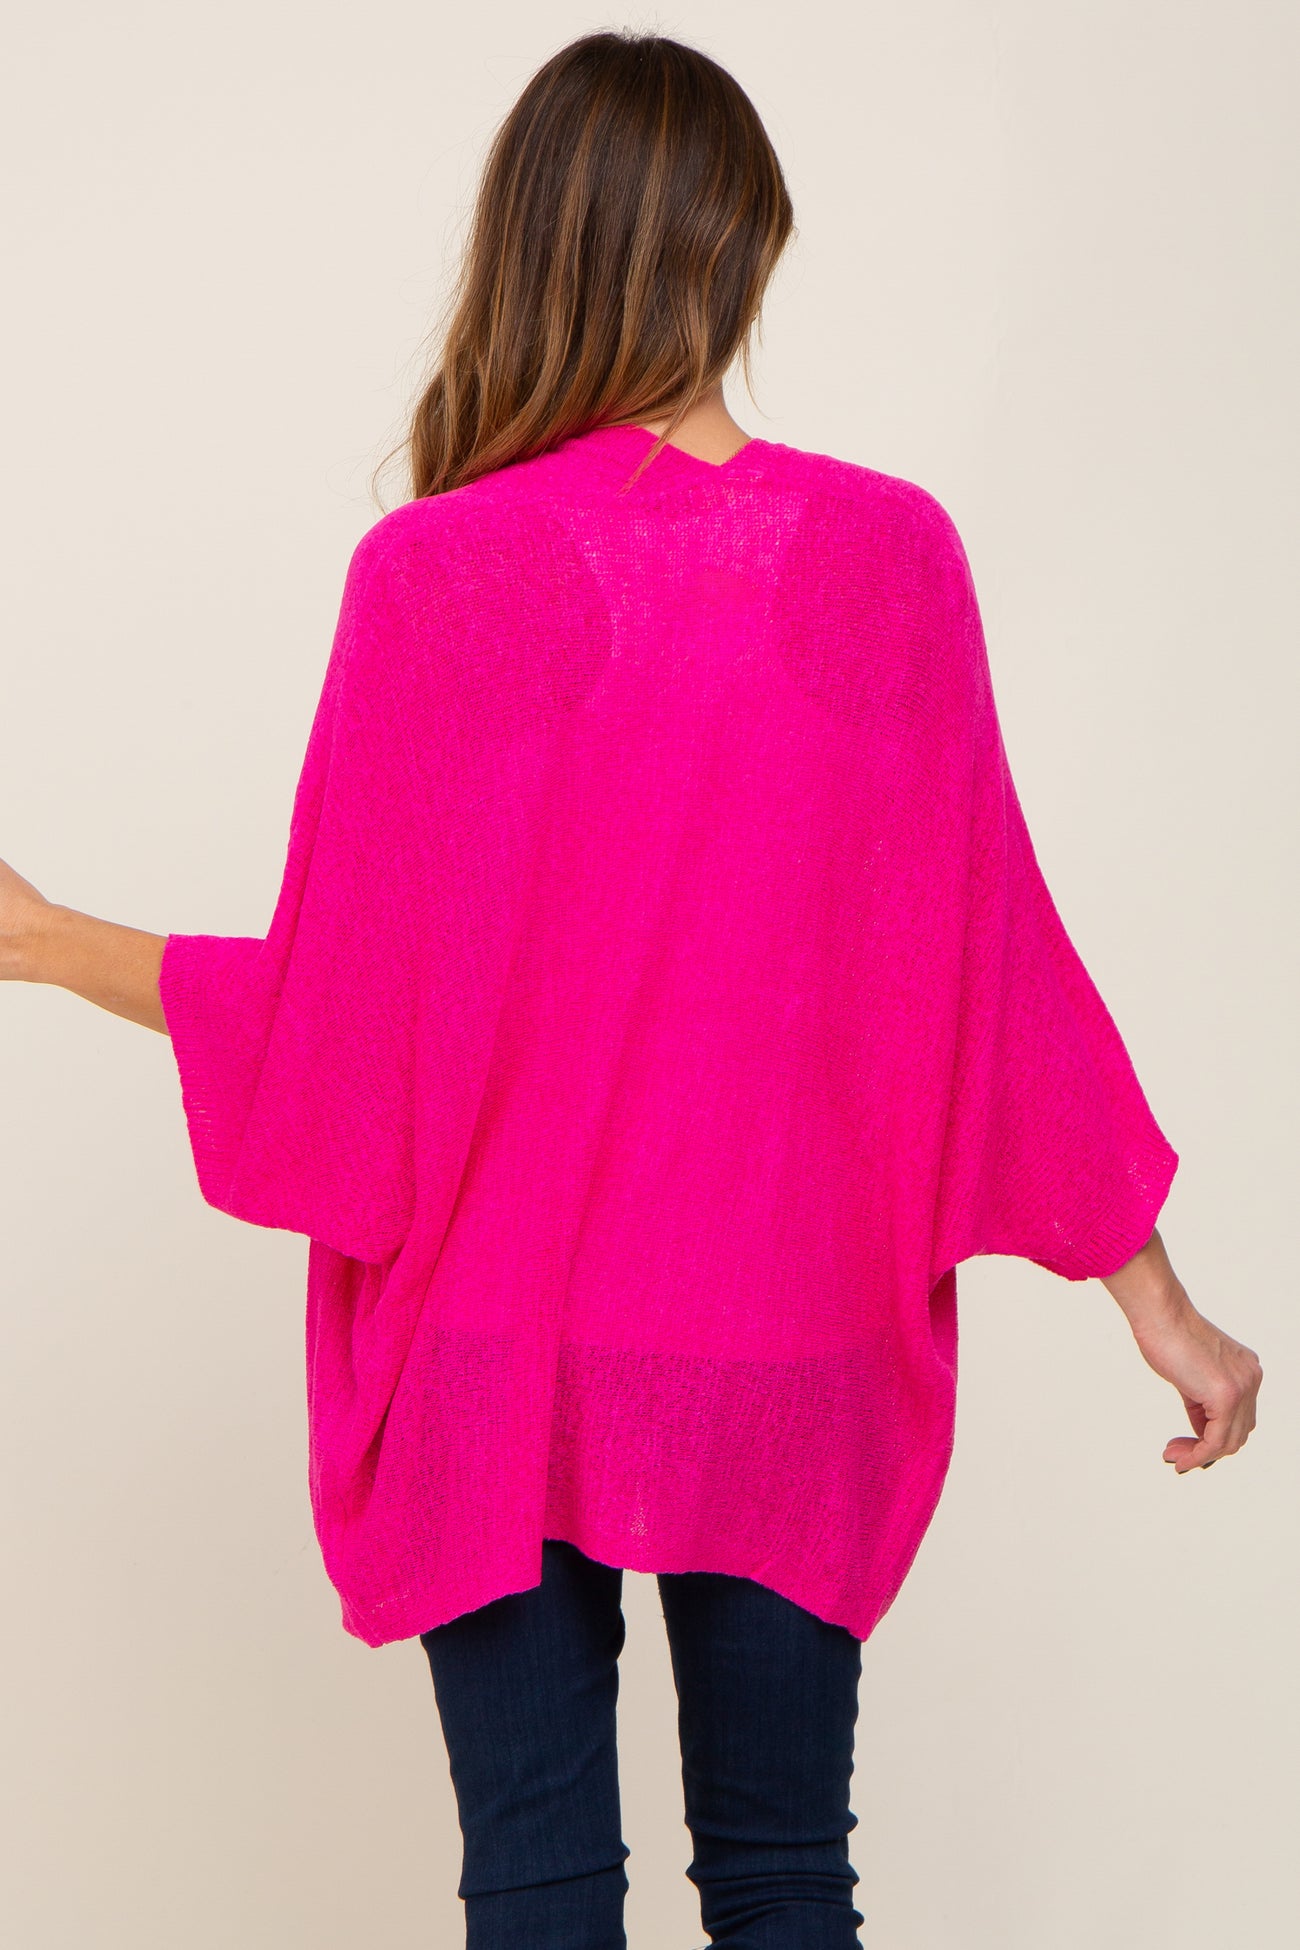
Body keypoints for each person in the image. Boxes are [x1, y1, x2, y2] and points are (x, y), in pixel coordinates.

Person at [0, 28, 1262, 1950]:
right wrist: (1156, 1301)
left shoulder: (436, 577)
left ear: (531, 253)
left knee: (539, 1892)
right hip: (787, 1344)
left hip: (496, 1351)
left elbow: (336, 1033)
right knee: (783, 1877)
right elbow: (996, 962)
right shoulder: (884, 560)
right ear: (742, 252)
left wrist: (42, 938)